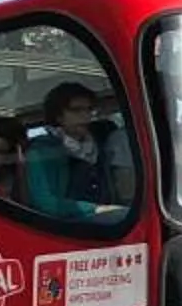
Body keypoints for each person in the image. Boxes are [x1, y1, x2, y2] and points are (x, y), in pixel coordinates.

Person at [25, 83, 133, 223]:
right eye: (76, 110)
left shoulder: (101, 140)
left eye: (89, 109)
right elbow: (45, 202)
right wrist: (94, 209)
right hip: (68, 223)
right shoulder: (43, 150)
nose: (85, 116)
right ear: (58, 116)